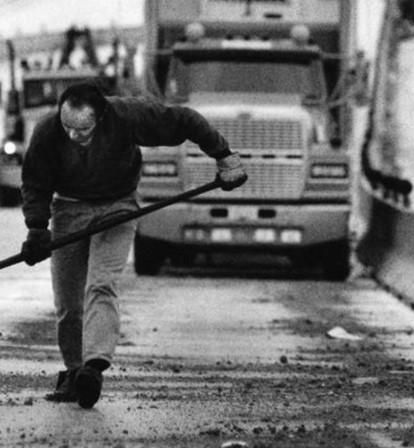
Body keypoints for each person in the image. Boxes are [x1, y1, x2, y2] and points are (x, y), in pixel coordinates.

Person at [20, 82, 246, 408]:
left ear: (101, 117)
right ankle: (74, 373)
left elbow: (184, 120)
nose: (73, 136)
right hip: (68, 209)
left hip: (117, 207)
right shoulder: (47, 131)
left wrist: (223, 155)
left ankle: (93, 367)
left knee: (101, 284)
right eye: (68, 127)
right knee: (68, 302)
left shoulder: (126, 116)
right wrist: (37, 229)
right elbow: (35, 181)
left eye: (83, 130)